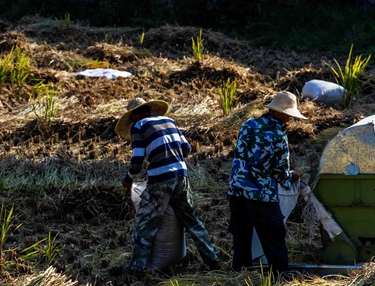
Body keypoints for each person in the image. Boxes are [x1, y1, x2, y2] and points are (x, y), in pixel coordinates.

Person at [116, 97, 221, 275]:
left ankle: (135, 270)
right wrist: (171, 158)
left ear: (134, 116)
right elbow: (186, 148)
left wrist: (129, 179)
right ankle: (213, 261)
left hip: (160, 180)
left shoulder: (138, 126)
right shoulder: (169, 121)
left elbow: (137, 159)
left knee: (145, 223)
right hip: (181, 175)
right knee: (192, 220)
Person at [227, 91, 305, 274]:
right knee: (274, 240)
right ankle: (279, 280)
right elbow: (279, 172)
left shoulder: (248, 124)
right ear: (278, 113)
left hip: (236, 192)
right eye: (288, 115)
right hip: (261, 196)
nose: (289, 120)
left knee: (241, 239)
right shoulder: (278, 135)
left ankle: (240, 279)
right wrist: (292, 176)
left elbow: (242, 155)